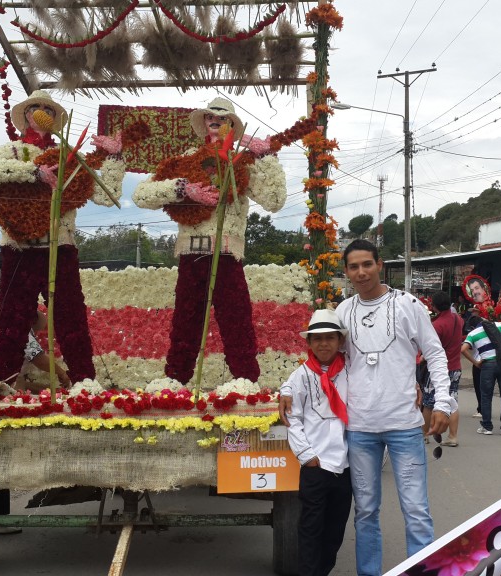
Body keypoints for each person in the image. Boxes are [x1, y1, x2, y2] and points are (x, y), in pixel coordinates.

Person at [282, 239, 454, 576]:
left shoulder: (408, 305)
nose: (361, 272)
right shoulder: (343, 311)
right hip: (359, 431)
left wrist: (443, 402)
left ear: (380, 265)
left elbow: (434, 353)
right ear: (346, 272)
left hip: (404, 425)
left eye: (367, 265)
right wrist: (289, 386)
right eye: (353, 267)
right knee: (365, 512)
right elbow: (323, 358)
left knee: (416, 511)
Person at [0, 90, 131, 385]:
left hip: (61, 249)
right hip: (19, 249)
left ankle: (84, 384)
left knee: (72, 319)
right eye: (37, 107)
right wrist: (34, 173)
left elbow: (108, 195)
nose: (43, 112)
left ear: (57, 119)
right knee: (11, 322)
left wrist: (115, 156)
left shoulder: (70, 158)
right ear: (26, 116)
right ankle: (2, 385)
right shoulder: (13, 151)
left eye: (50, 109)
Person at [132, 97, 286, 383]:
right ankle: (175, 382)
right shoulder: (187, 160)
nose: (215, 121)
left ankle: (245, 383)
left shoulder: (243, 162)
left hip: (227, 256)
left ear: (231, 124)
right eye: (210, 117)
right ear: (203, 122)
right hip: (191, 255)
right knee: (184, 325)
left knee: (237, 324)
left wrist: (266, 157)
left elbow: (274, 201)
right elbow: (141, 195)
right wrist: (183, 189)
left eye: (223, 118)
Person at [280, 309, 351, 576]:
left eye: (329, 338)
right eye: (317, 339)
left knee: (335, 529)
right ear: (308, 343)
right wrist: (307, 456)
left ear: (339, 341)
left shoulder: (349, 369)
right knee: (310, 529)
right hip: (316, 465)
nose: (324, 344)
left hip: (344, 465)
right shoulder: (301, 376)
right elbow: (292, 418)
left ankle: (323, 571)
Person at [461, 313, 501, 436]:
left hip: (487, 366)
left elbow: (463, 349)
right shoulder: (498, 326)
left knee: (486, 396)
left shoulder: (473, 334)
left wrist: (476, 363)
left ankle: (487, 427)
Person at [424, 291, 463, 446]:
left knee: (428, 402)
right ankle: (452, 437)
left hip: (439, 369)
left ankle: (424, 434)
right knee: (451, 400)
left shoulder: (436, 325)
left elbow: (430, 349)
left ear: (433, 306)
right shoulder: (458, 319)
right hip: (455, 367)